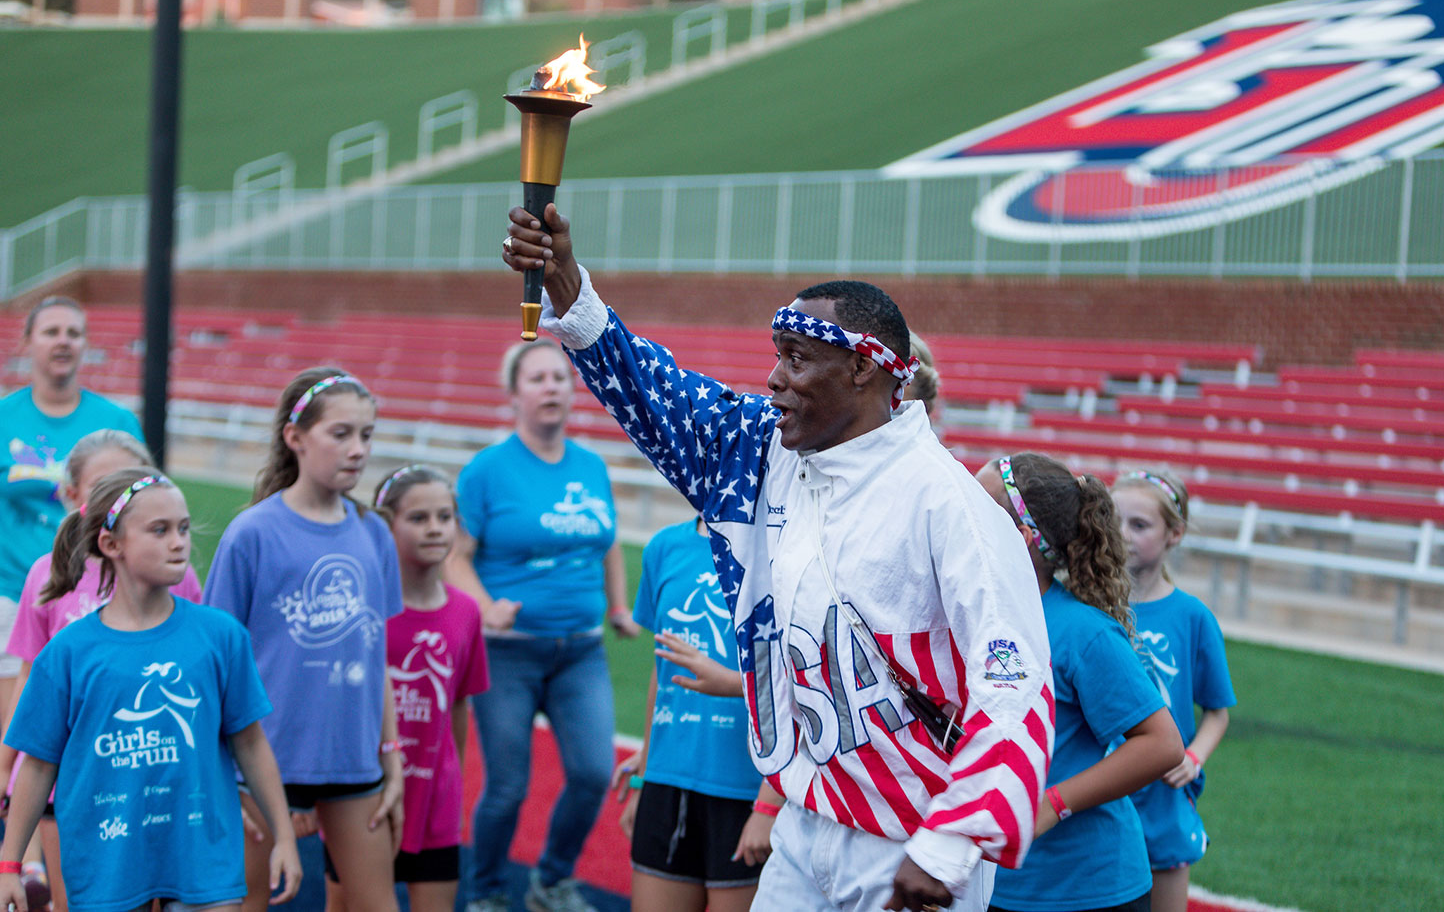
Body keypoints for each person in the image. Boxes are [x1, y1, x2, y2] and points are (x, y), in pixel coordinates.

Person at [504, 203, 1054, 912]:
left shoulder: (953, 507)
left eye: (796, 359)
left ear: (862, 368)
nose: (773, 378)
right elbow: (658, 394)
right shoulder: (766, 451)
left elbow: (1014, 686)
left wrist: (950, 842)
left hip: (912, 839)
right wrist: (567, 286)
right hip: (803, 821)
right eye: (776, 356)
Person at [0, 466, 301, 912]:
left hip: (204, 863)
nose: (179, 541)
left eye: (182, 528)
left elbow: (251, 744)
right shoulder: (68, 651)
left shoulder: (220, 636)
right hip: (107, 865)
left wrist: (285, 837)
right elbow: (39, 765)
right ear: (111, 544)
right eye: (159, 530)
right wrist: (9, 866)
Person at [203, 368, 405, 912]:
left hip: (353, 761)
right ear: (295, 437)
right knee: (244, 903)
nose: (357, 449)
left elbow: (377, 656)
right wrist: (220, 765)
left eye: (366, 435)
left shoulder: (374, 533)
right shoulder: (251, 534)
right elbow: (215, 662)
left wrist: (391, 754)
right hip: (259, 762)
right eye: (340, 434)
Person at [446, 339, 635, 912]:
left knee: (592, 773)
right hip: (507, 653)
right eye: (538, 379)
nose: (552, 386)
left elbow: (608, 546)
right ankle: (483, 891)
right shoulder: (487, 470)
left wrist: (619, 608)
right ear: (514, 395)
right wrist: (484, 605)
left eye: (560, 377)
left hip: (580, 652)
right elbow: (455, 555)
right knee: (506, 788)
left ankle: (550, 880)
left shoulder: (591, 465)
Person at [1, 430, 203, 911]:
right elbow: (32, 677)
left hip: (151, 772)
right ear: (73, 497)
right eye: (104, 485)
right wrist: (9, 764)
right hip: (70, 775)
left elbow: (196, 677)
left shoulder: (180, 578)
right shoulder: (48, 574)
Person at [973, 452, 1183, 912]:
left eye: (974, 506)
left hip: (1088, 890)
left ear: (1022, 537)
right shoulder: (971, 616)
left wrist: (1052, 804)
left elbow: (1162, 744)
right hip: (993, 881)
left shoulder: (1081, 632)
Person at [326, 465, 491, 912]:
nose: (436, 529)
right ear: (385, 524)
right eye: (418, 518)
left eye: (445, 517)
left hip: (435, 797)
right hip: (364, 795)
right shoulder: (363, 609)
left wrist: (450, 781)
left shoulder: (465, 612)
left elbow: (458, 704)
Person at [614, 516, 780, 912]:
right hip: (666, 783)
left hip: (747, 791)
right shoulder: (665, 547)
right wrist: (644, 776)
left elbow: (801, 682)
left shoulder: (780, 547)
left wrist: (771, 803)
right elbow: (664, 671)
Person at [0, 298, 143, 751]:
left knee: (91, 734)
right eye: (51, 331)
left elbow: (143, 504)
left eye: (73, 333)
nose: (63, 341)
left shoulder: (116, 423)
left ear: (85, 345)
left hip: (96, 595)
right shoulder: (5, 418)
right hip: (11, 594)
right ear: (27, 343)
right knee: (14, 736)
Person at [1111, 471, 1235, 912]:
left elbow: (1217, 711)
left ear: (1174, 534)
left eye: (1139, 525)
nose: (1122, 535)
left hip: (1164, 795)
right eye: (1114, 519)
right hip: (1102, 789)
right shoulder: (1088, 607)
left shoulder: (1192, 617)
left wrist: (1194, 756)